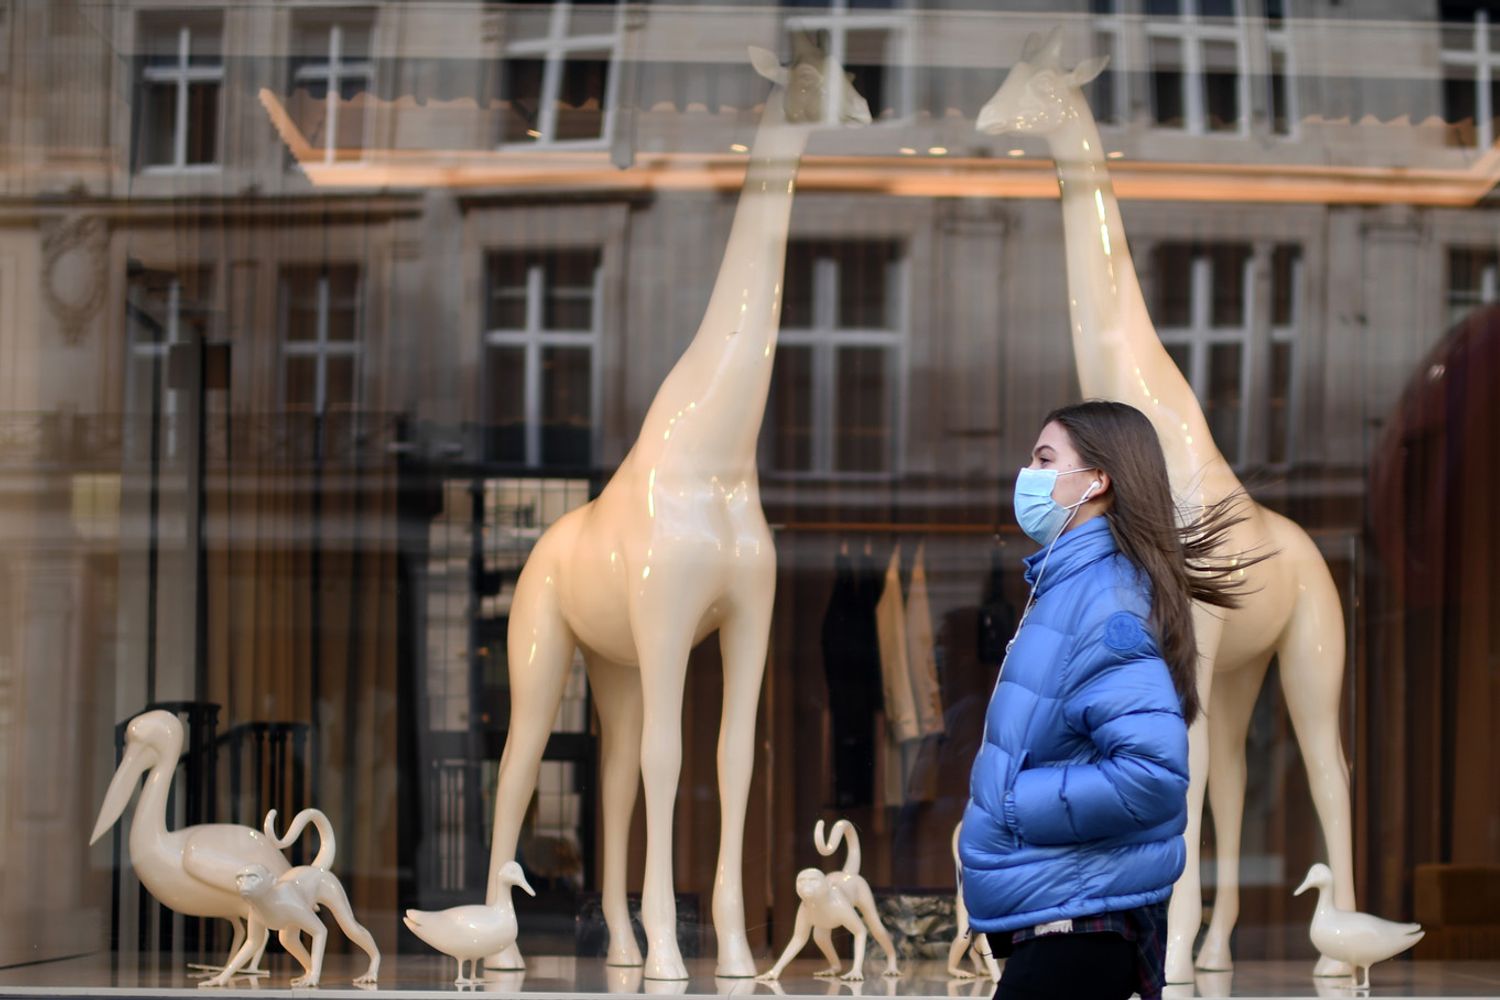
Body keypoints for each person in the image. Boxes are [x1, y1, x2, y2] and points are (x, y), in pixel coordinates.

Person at [958, 400, 1262, 1000]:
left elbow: (1151, 773)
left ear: (1097, 481)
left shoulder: (1107, 600)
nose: (1029, 475)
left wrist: (1015, 804)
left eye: (1045, 460)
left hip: (1077, 929)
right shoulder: (1069, 587)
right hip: (1063, 918)